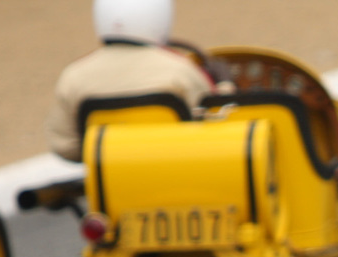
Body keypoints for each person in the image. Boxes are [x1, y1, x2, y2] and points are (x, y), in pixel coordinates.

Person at [46, 0, 214, 161]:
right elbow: (211, 126)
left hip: (108, 185)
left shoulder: (74, 75)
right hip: (177, 178)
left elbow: (66, 147)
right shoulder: (181, 70)